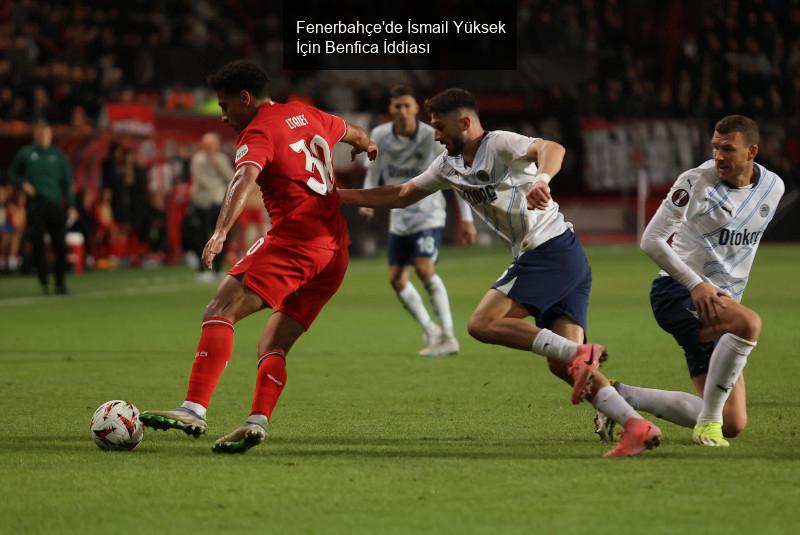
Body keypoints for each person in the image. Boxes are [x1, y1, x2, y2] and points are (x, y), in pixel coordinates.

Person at [339, 88, 662, 457]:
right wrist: (338, 196)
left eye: (440, 127)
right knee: (562, 366)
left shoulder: (501, 144)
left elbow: (552, 148)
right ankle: (635, 424)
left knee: (481, 324)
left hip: (549, 250)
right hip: (562, 257)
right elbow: (400, 194)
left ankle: (580, 351)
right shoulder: (448, 165)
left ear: (465, 122)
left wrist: (542, 180)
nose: (436, 136)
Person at [140, 60, 377, 454]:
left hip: (295, 241)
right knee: (273, 343)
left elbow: (243, 178)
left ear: (246, 99)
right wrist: (366, 144)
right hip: (335, 251)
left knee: (220, 309)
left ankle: (194, 408)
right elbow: (354, 132)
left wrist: (219, 232)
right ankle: (255, 421)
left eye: (225, 105)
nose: (223, 115)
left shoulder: (259, 129)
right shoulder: (307, 113)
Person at [594, 115, 785, 447]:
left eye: (728, 148)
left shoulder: (774, 188)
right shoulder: (695, 181)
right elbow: (650, 240)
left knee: (734, 423)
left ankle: (620, 398)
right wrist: (697, 283)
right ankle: (706, 425)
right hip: (678, 292)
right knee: (749, 325)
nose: (719, 156)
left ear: (752, 151)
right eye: (715, 147)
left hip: (722, 303)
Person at [359, 86, 476, 357]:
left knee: (424, 269)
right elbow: (373, 172)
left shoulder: (431, 136)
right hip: (399, 216)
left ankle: (448, 336)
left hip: (428, 213)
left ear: (416, 109)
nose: (401, 111)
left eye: (406, 106)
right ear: (391, 109)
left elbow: (455, 175)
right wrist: (367, 199)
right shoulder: (379, 136)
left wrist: (467, 219)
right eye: (397, 106)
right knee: (397, 279)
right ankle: (431, 329)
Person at [8, 123, 78, 294]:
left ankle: (60, 282)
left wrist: (71, 205)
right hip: (35, 205)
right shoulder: (26, 153)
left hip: (55, 205)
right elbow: (12, 174)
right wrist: (23, 184)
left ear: (50, 136)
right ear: (35, 136)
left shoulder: (58, 156)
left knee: (61, 246)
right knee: (38, 245)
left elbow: (67, 183)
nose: (43, 137)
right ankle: (44, 281)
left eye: (46, 134)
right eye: (40, 134)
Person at [189, 132, 234, 280]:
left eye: (212, 144)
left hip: (220, 202)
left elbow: (231, 177)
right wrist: (217, 189)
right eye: (207, 144)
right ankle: (202, 269)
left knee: (223, 235)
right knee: (203, 236)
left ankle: (218, 267)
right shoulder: (198, 160)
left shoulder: (221, 159)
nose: (209, 147)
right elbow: (201, 180)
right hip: (204, 202)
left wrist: (218, 165)